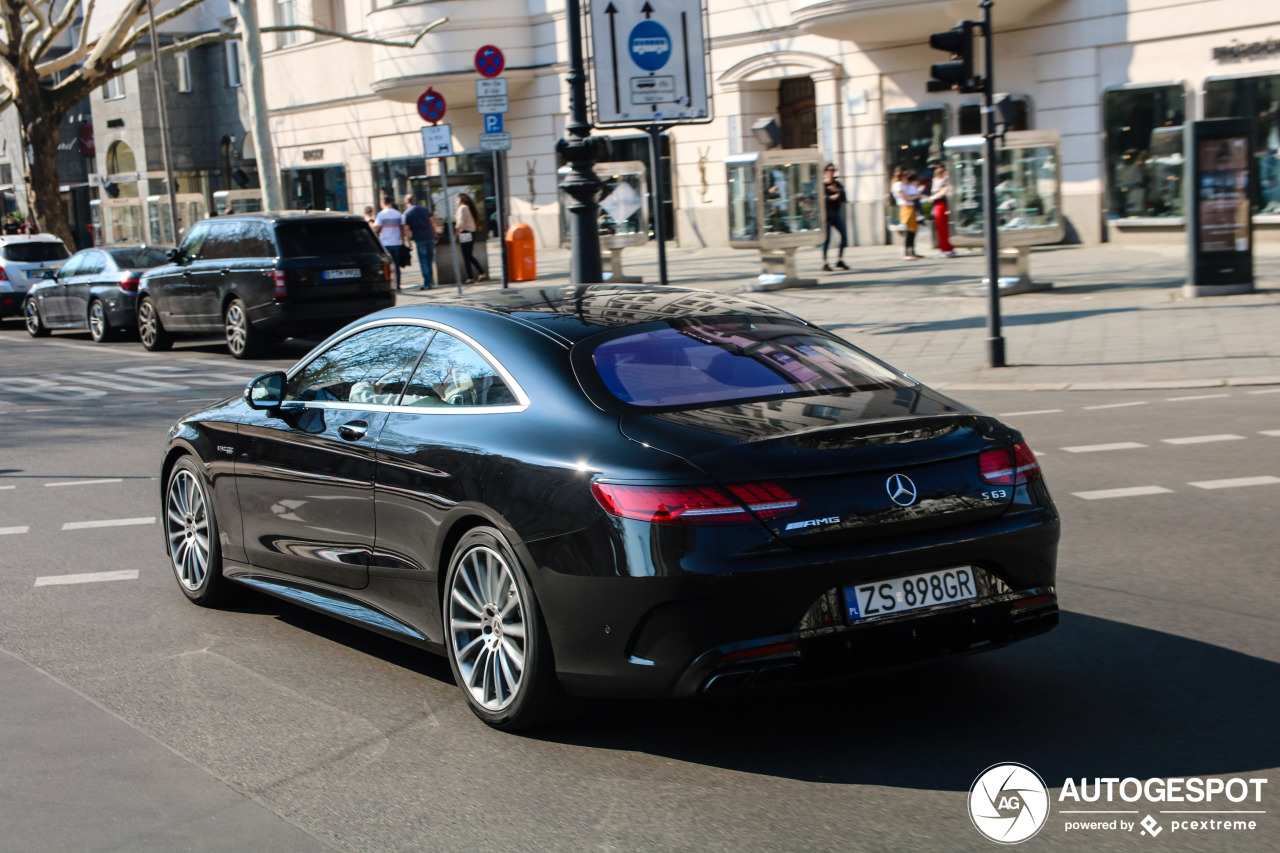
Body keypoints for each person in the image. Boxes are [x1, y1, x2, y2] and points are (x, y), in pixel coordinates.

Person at [403, 193, 436, 289]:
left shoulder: (407, 213)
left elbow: (406, 229)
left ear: (406, 202)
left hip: (419, 238)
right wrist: (435, 234)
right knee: (429, 260)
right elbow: (432, 222)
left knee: (423, 260)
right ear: (414, 200)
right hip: (429, 236)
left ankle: (427, 282)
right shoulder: (424, 209)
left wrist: (408, 242)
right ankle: (431, 280)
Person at [374, 193, 407, 290]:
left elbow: (376, 228)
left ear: (382, 202)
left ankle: (389, 285)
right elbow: (402, 228)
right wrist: (403, 240)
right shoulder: (397, 214)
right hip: (396, 242)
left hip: (385, 243)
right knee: (396, 265)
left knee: (387, 266)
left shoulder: (381, 215)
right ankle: (398, 284)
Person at [821, 163, 849, 272]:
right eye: (830, 170)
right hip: (826, 215)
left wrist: (837, 192)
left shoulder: (837, 184)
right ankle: (825, 262)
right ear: (826, 171)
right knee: (826, 240)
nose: (832, 172)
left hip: (836, 214)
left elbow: (844, 198)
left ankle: (840, 260)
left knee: (844, 235)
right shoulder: (822, 185)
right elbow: (820, 199)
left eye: (834, 170)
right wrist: (830, 197)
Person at [891, 167, 922, 260]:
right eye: (904, 175)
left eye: (907, 174)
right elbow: (906, 198)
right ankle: (907, 253)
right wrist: (917, 196)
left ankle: (912, 251)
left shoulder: (904, 184)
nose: (906, 176)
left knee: (913, 230)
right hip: (906, 207)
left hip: (911, 207)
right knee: (908, 231)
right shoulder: (898, 185)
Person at [454, 193, 486, 283]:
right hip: (470, 232)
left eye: (457, 199)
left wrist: (456, 232)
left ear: (461, 200)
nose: (456, 200)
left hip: (465, 233)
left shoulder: (463, 208)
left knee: (466, 256)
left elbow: (460, 222)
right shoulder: (467, 208)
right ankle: (481, 272)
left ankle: (471, 277)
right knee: (469, 255)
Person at [929, 163, 955, 258]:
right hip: (939, 205)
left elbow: (944, 192)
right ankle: (948, 248)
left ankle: (945, 249)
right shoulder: (942, 181)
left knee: (942, 228)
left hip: (940, 205)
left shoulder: (944, 182)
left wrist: (933, 197)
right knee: (942, 229)